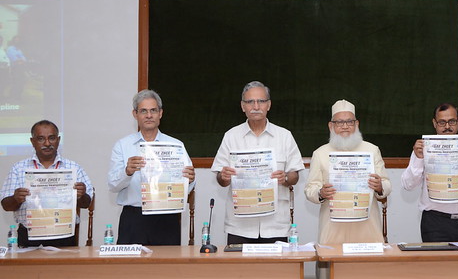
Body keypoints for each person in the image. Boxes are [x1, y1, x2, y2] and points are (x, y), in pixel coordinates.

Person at [211, 81, 304, 244]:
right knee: (240, 270)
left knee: (275, 270)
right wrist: (224, 177)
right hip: (239, 225)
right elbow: (220, 179)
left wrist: (285, 179)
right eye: (250, 102)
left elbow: (294, 175)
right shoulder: (231, 136)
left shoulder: (284, 136)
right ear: (242, 106)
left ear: (268, 105)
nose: (256, 106)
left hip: (275, 224)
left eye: (261, 101)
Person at [108, 89, 195, 245]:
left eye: (153, 110)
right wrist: (127, 172)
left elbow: (188, 185)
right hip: (133, 218)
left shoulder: (176, 146)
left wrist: (189, 180)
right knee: (129, 268)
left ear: (160, 113)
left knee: (167, 267)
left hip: (166, 218)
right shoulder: (122, 145)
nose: (149, 115)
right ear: (135, 114)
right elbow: (113, 185)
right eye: (143, 111)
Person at [401, 103, 458, 242]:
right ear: (434, 123)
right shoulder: (422, 151)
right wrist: (419, 159)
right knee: (438, 264)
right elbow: (408, 185)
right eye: (442, 122)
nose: (447, 127)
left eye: (452, 122)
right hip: (435, 223)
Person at [304, 99, 391, 244]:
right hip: (333, 227)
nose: (345, 126)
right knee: (332, 265)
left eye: (349, 122)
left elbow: (387, 184)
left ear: (356, 124)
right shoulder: (320, 153)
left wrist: (380, 186)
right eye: (339, 122)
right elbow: (309, 189)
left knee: (367, 265)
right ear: (331, 126)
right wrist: (320, 193)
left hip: (367, 226)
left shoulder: (372, 150)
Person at [1, 120, 93, 247]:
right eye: (40, 139)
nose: (47, 143)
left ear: (58, 140)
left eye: (52, 138)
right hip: (29, 235)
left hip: (64, 235)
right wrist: (16, 199)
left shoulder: (73, 167)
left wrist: (81, 195)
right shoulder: (18, 168)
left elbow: (86, 203)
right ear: (32, 142)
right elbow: (6, 205)